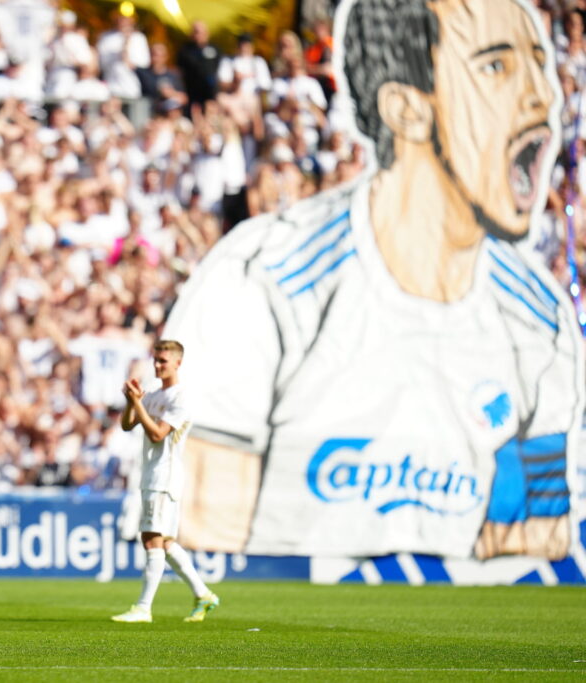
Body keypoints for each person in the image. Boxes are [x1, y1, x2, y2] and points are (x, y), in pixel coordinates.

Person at [166, 0, 582, 563]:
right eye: (496, 66)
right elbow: (203, 544)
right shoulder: (263, 283)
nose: (544, 96)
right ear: (406, 108)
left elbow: (531, 553)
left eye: (541, 64)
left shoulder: (540, 323)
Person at [111, 340, 219, 624]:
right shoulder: (156, 395)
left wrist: (138, 403)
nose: (158, 366)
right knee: (165, 542)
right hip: (152, 473)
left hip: (165, 474)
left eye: (163, 361)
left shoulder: (181, 397)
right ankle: (203, 594)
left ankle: (143, 608)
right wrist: (130, 401)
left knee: (151, 540)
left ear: (178, 363)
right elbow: (128, 424)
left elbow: (158, 434)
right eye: (156, 360)